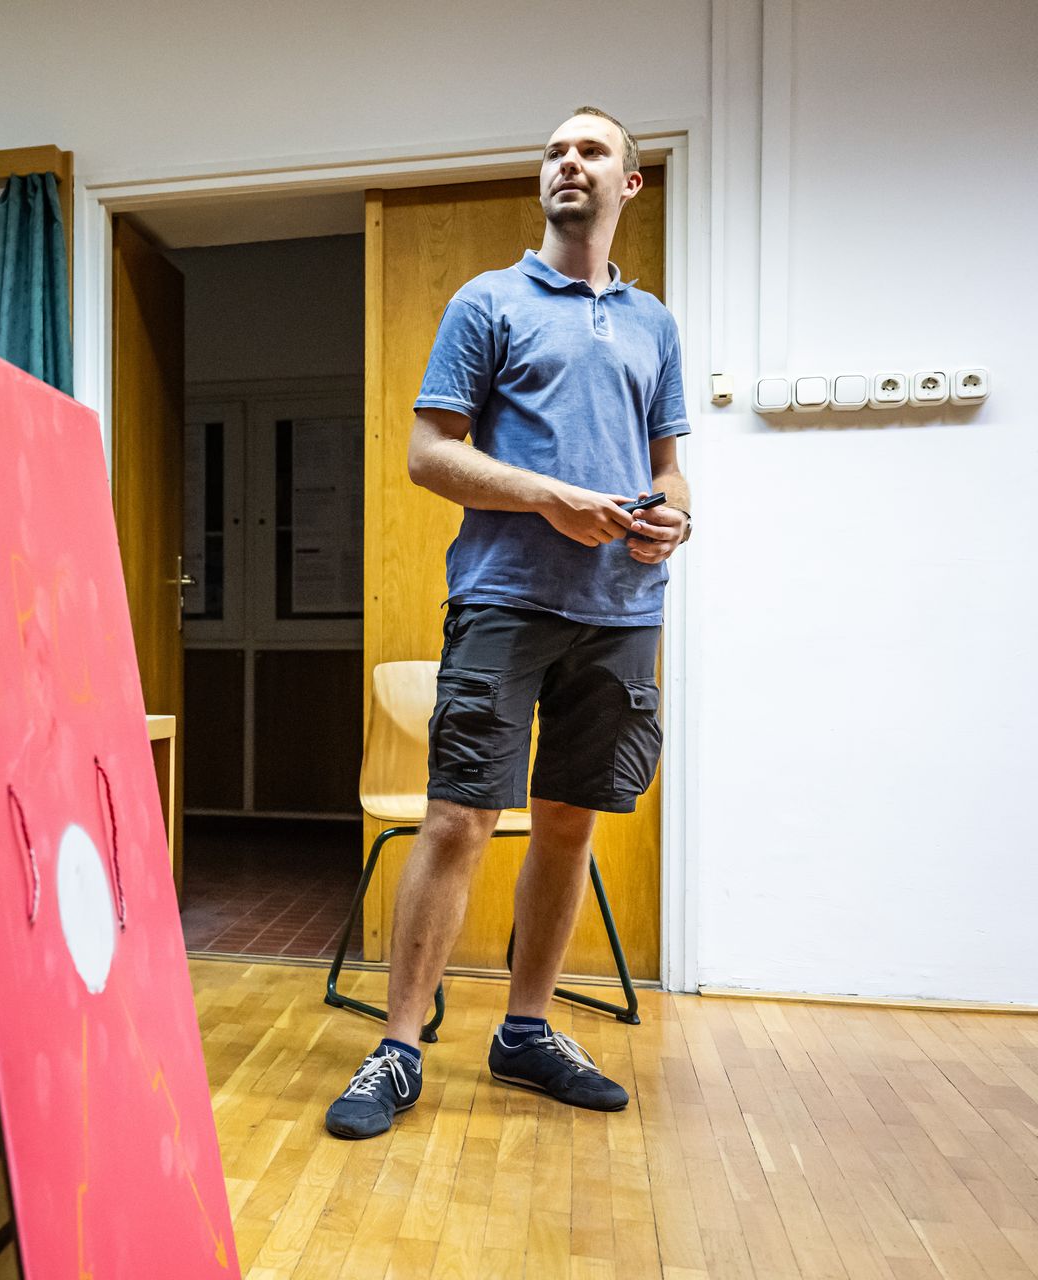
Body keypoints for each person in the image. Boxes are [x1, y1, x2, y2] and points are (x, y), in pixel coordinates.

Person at [325, 107, 692, 1139]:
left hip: (623, 608)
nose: (569, 161)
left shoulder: (654, 324)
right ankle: (399, 1046)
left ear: (629, 184)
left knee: (571, 819)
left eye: (593, 151)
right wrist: (546, 498)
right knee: (458, 818)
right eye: (556, 150)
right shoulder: (487, 301)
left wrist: (678, 515)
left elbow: (669, 467)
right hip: (502, 598)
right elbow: (429, 453)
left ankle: (525, 1032)